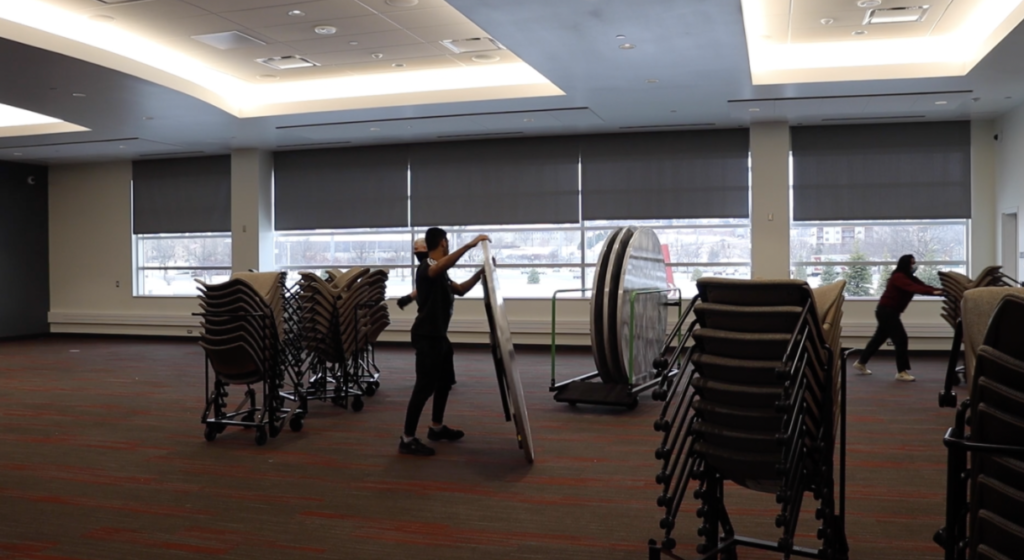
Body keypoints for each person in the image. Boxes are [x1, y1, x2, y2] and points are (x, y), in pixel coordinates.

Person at [399, 228, 490, 456]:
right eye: (447, 242)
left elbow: (460, 290)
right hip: (426, 336)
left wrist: (481, 273)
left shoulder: (440, 272)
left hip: (439, 336)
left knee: (444, 383)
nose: (448, 245)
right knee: (423, 388)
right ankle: (407, 439)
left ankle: (437, 427)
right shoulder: (427, 266)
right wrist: (469, 245)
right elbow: (437, 268)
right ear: (442, 243)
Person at [852, 254, 942, 382]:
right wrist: (933, 292)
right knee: (901, 339)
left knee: (878, 339)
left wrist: (942, 291)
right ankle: (901, 372)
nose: (914, 266)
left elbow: (924, 287)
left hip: (888, 312)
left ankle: (861, 363)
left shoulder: (909, 277)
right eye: (912, 263)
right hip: (887, 312)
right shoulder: (898, 277)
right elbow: (915, 288)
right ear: (905, 264)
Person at [396, 238, 428, 311]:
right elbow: (422, 287)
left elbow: (425, 287)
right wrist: (408, 298)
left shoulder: (429, 266)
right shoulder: (424, 265)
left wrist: (408, 298)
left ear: (425, 248)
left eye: (416, 249)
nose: (415, 252)